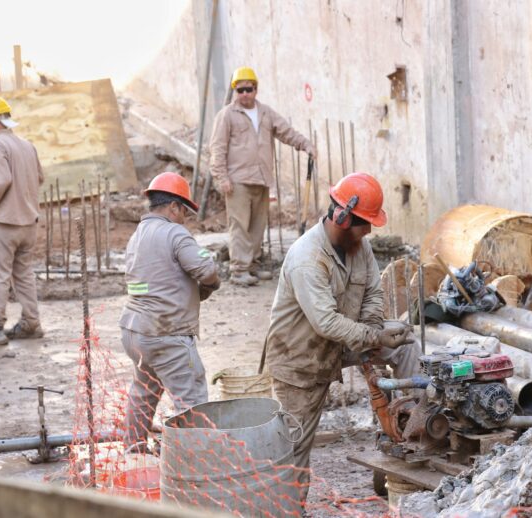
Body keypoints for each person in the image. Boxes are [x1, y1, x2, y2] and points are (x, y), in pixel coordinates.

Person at [265, 172, 421, 505]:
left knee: (407, 343)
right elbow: (325, 323)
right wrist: (372, 336)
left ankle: (413, 423)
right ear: (341, 216)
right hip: (301, 357)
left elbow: (373, 291)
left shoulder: (358, 246)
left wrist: (372, 332)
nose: (369, 232)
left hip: (345, 339)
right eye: (365, 224)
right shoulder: (308, 258)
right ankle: (287, 510)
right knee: (294, 447)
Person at [120, 172, 220, 446]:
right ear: (174, 207)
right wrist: (210, 285)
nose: (185, 219)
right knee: (192, 401)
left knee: (143, 392)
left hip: (135, 331)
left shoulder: (137, 235)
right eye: (184, 212)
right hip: (166, 333)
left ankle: (134, 451)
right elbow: (206, 269)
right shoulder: (175, 232)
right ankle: (194, 462)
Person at [209, 66, 316, 287]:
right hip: (237, 180)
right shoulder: (227, 115)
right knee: (239, 225)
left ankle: (253, 266)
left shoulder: (266, 113)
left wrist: (305, 144)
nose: (244, 94)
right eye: (240, 90)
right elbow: (217, 148)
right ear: (235, 92)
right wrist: (222, 178)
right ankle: (239, 269)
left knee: (258, 225)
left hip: (261, 178)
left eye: (248, 89)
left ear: (256, 89)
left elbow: (286, 132)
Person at [0, 95, 45, 345]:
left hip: (5, 224)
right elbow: (39, 178)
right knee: (24, 274)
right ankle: (31, 323)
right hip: (28, 224)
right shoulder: (26, 145)